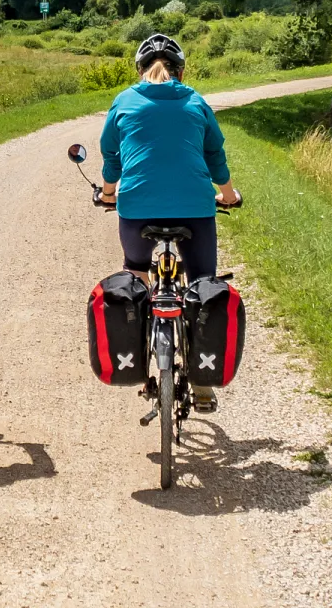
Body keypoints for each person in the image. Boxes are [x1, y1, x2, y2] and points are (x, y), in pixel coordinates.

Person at [98, 33, 240, 412]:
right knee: (201, 282)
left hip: (137, 210)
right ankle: (203, 384)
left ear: (140, 70)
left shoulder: (124, 101)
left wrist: (109, 193)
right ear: (181, 71)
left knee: (136, 271)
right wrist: (227, 194)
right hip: (194, 208)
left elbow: (111, 155)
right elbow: (214, 153)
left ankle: (137, 349)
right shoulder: (195, 101)